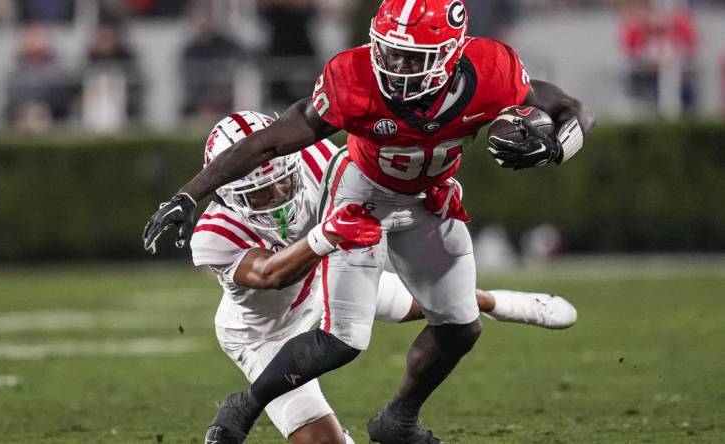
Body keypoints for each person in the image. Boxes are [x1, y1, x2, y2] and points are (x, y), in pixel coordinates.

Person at [143, 1, 596, 442]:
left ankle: (398, 420)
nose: (393, 63)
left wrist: (557, 146)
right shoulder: (353, 80)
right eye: (387, 48)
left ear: (449, 55)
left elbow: (571, 108)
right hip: (362, 199)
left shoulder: (492, 72)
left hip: (427, 199)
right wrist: (189, 195)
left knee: (459, 329)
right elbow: (270, 145)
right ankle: (242, 407)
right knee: (345, 339)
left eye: (409, 55)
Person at [188, 111, 576, 444]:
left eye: (282, 181)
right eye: (260, 194)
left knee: (443, 303)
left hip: (326, 282)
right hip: (264, 333)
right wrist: (327, 234)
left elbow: (384, 186)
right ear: (229, 194)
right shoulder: (214, 232)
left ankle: (509, 304)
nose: (276, 195)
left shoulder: (317, 157)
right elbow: (270, 273)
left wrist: (430, 191)